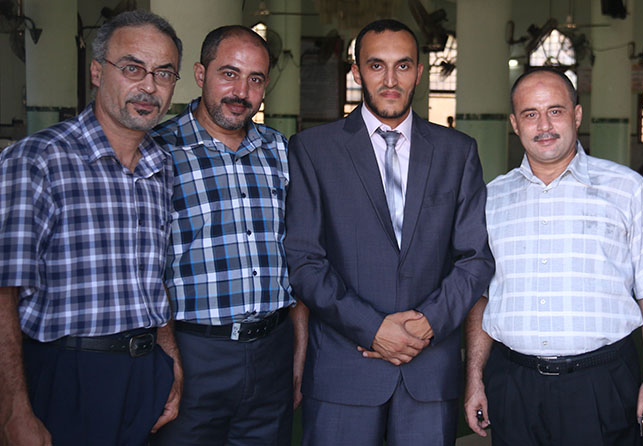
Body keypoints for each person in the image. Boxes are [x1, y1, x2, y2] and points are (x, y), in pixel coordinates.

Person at [285, 18, 495, 445]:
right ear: (356, 72)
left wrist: (427, 323)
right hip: (344, 369)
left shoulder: (457, 152)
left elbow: (475, 258)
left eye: (403, 65)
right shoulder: (313, 150)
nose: (390, 80)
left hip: (428, 369)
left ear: (419, 72)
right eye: (376, 65)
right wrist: (371, 328)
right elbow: (304, 260)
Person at [464, 67, 643, 445]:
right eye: (530, 114)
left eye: (556, 111)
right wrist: (474, 378)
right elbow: (481, 297)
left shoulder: (626, 189)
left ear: (577, 115)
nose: (544, 125)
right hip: (513, 384)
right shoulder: (491, 199)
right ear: (515, 124)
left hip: (600, 384)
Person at [0, 10, 183, 446]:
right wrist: (13, 409)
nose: (149, 86)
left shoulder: (160, 166)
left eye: (163, 73)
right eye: (133, 68)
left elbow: (152, 279)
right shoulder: (37, 160)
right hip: (67, 373)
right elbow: (3, 293)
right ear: (98, 72)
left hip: (145, 371)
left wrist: (170, 360)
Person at [150, 25, 308, 446]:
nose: (241, 91)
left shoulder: (280, 151)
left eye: (256, 79)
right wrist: (167, 357)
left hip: (272, 350)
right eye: (229, 74)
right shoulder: (158, 152)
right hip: (192, 352)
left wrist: (298, 351)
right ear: (200, 74)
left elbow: (299, 257)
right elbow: (144, 269)